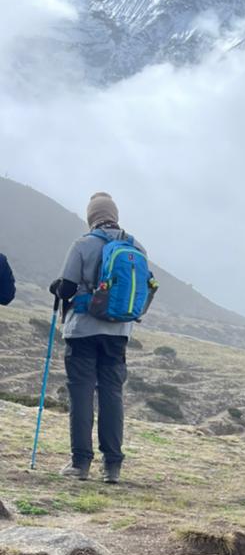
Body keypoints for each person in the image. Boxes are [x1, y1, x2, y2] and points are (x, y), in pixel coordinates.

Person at [49, 192, 148, 484]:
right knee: (112, 395)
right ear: (114, 215)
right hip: (118, 333)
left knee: (81, 395)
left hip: (82, 332)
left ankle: (80, 464)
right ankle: (112, 466)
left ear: (91, 216)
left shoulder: (82, 244)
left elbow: (66, 288)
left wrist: (57, 288)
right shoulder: (137, 246)